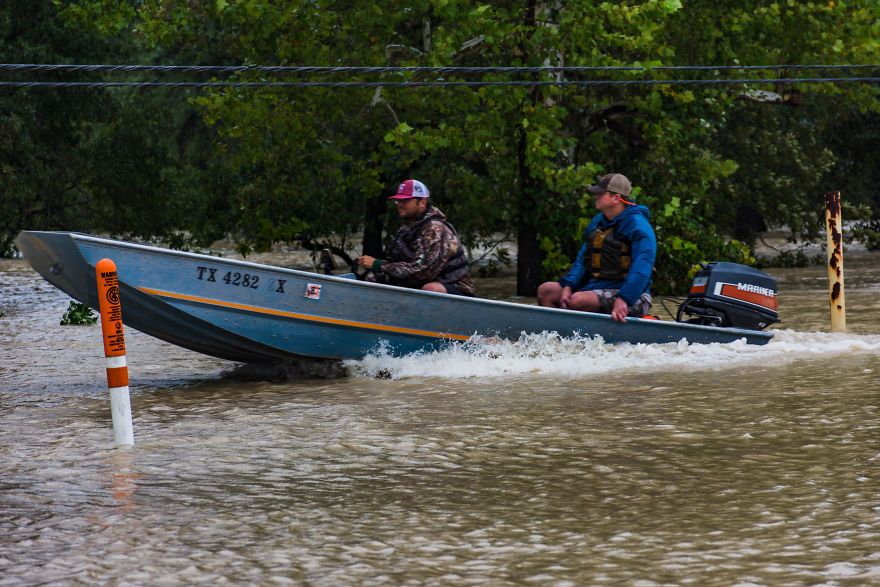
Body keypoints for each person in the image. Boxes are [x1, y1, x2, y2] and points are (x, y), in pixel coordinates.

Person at [537, 173, 656, 322]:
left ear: (616, 198)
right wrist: (568, 286)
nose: (596, 196)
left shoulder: (638, 227)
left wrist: (624, 299)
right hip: (596, 286)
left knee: (577, 300)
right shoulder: (598, 222)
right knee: (546, 291)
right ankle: (551, 337)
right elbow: (582, 260)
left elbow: (642, 269)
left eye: (600, 194)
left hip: (634, 297)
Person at [357, 179, 475, 296]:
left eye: (405, 200)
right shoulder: (407, 229)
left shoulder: (435, 229)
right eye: (398, 201)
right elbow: (396, 263)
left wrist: (378, 264)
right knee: (373, 279)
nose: (400, 205)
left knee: (430, 289)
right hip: (418, 283)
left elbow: (422, 272)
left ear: (422, 202)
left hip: (454, 287)